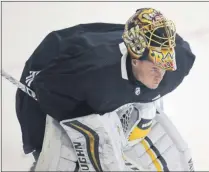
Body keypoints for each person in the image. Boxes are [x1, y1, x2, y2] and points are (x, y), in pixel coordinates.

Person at [15, 8, 195, 171]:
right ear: (135, 59)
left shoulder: (176, 67)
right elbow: (45, 88)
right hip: (49, 72)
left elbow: (177, 46)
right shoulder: (95, 73)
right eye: (155, 68)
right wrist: (90, 121)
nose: (161, 75)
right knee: (61, 152)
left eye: (165, 66)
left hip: (97, 72)